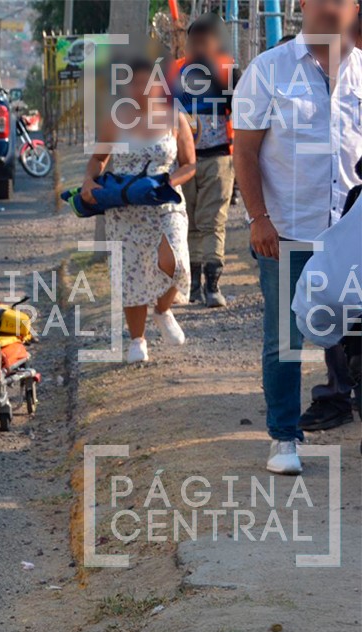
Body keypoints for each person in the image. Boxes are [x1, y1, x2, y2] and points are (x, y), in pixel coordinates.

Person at [233, 0, 362, 475]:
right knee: (285, 339)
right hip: (288, 230)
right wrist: (258, 217)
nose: (331, 8)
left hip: (352, 234)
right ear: (303, 5)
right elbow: (244, 151)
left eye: (342, 0)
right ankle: (284, 436)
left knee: (358, 337)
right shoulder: (269, 70)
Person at [81, 57, 197, 364]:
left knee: (178, 262)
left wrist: (169, 180)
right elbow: (98, 160)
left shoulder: (174, 117)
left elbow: (190, 163)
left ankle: (162, 310)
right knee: (132, 274)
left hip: (165, 201)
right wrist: (88, 182)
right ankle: (137, 340)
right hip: (126, 205)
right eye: (135, 83)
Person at [173, 13, 238, 308]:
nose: (197, 48)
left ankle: (212, 284)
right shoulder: (173, 74)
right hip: (183, 162)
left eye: (204, 42)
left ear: (217, 44)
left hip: (219, 160)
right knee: (189, 223)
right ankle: (194, 284)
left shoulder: (228, 72)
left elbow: (245, 112)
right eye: (193, 42)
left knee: (213, 222)